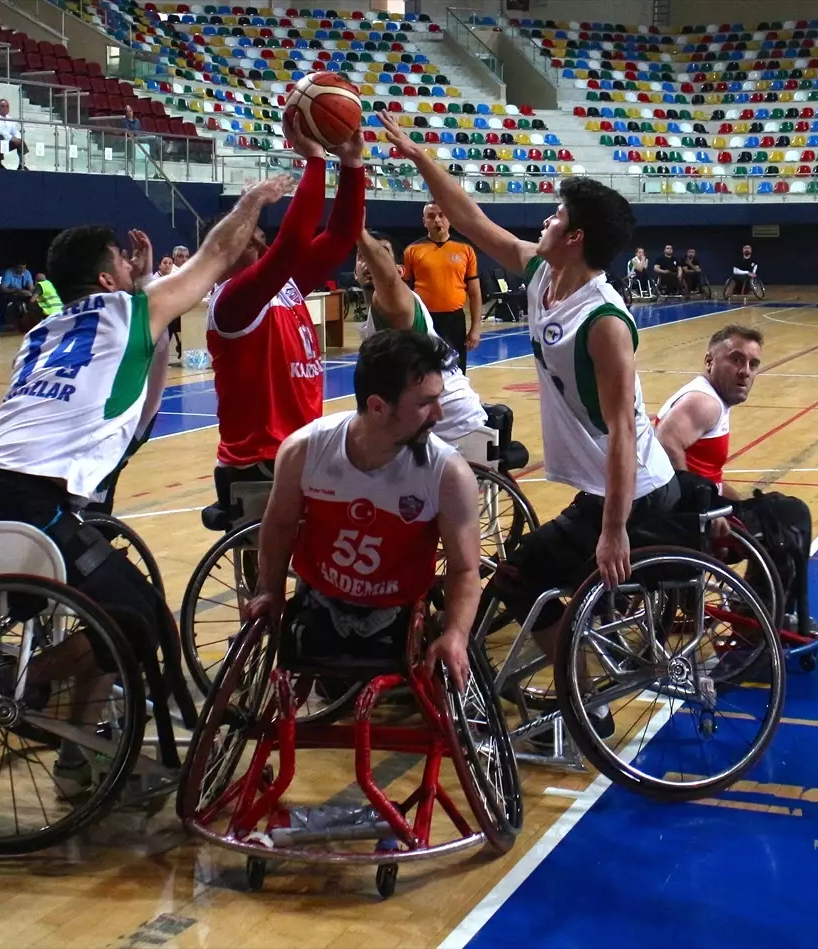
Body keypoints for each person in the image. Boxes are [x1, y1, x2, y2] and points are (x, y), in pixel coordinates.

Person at [0, 175, 295, 788]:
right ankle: (10, 686)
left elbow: (138, 404)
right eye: (122, 265)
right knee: (139, 621)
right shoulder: (127, 311)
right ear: (107, 281)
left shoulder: (40, 334)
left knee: (124, 605)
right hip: (30, 498)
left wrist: (146, 282)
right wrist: (255, 201)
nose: (133, 271)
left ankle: (80, 747)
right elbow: (212, 258)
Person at [381, 111, 679, 738]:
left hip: (637, 495)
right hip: (605, 490)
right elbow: (469, 218)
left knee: (521, 580)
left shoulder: (604, 323)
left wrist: (615, 529)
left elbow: (625, 432)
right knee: (526, 577)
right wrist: (418, 157)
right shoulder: (544, 274)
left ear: (576, 238)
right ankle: (590, 684)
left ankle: (589, 700)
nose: (546, 219)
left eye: (557, 215)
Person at [247, 329, 482, 691]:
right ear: (377, 406)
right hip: (319, 604)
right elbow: (279, 526)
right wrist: (270, 590)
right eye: (424, 403)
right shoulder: (304, 452)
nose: (439, 412)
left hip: (398, 614)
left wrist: (456, 634)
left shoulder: (448, 474)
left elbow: (465, 568)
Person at [201, 115, 365, 522]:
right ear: (221, 252)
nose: (254, 232)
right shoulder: (232, 301)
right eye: (242, 230)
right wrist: (314, 160)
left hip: (300, 447)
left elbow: (341, 236)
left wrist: (352, 165)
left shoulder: (285, 284)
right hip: (262, 461)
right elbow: (291, 244)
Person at [655, 324, 818, 636]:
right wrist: (697, 513)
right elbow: (665, 444)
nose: (745, 371)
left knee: (770, 510)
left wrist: (732, 501)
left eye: (753, 364)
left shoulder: (709, 398)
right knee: (790, 519)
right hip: (690, 521)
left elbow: (707, 475)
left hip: (695, 508)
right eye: (736, 360)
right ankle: (760, 624)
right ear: (709, 361)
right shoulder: (705, 402)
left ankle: (755, 614)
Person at [354, 228, 488, 443]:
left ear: (399, 271)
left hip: (456, 427)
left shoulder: (396, 300)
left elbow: (386, 279)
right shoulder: (376, 313)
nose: (370, 261)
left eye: (381, 253)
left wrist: (358, 232)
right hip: (429, 426)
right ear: (354, 272)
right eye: (362, 256)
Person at [402, 202, 482, 373]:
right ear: (424, 221)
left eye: (441, 215)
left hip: (454, 320)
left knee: (456, 370)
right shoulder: (412, 250)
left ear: (449, 219)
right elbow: (404, 290)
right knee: (423, 368)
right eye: (431, 216)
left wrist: (475, 328)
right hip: (423, 318)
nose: (437, 220)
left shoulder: (465, 249)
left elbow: (475, 293)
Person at [0, 98, 28, 170]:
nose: (5, 108)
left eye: (7, 106)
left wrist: (17, 138)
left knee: (20, 141)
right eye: (3, 106)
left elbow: (15, 131)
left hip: (6, 142)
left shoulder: (9, 118)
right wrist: (11, 138)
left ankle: (21, 165)